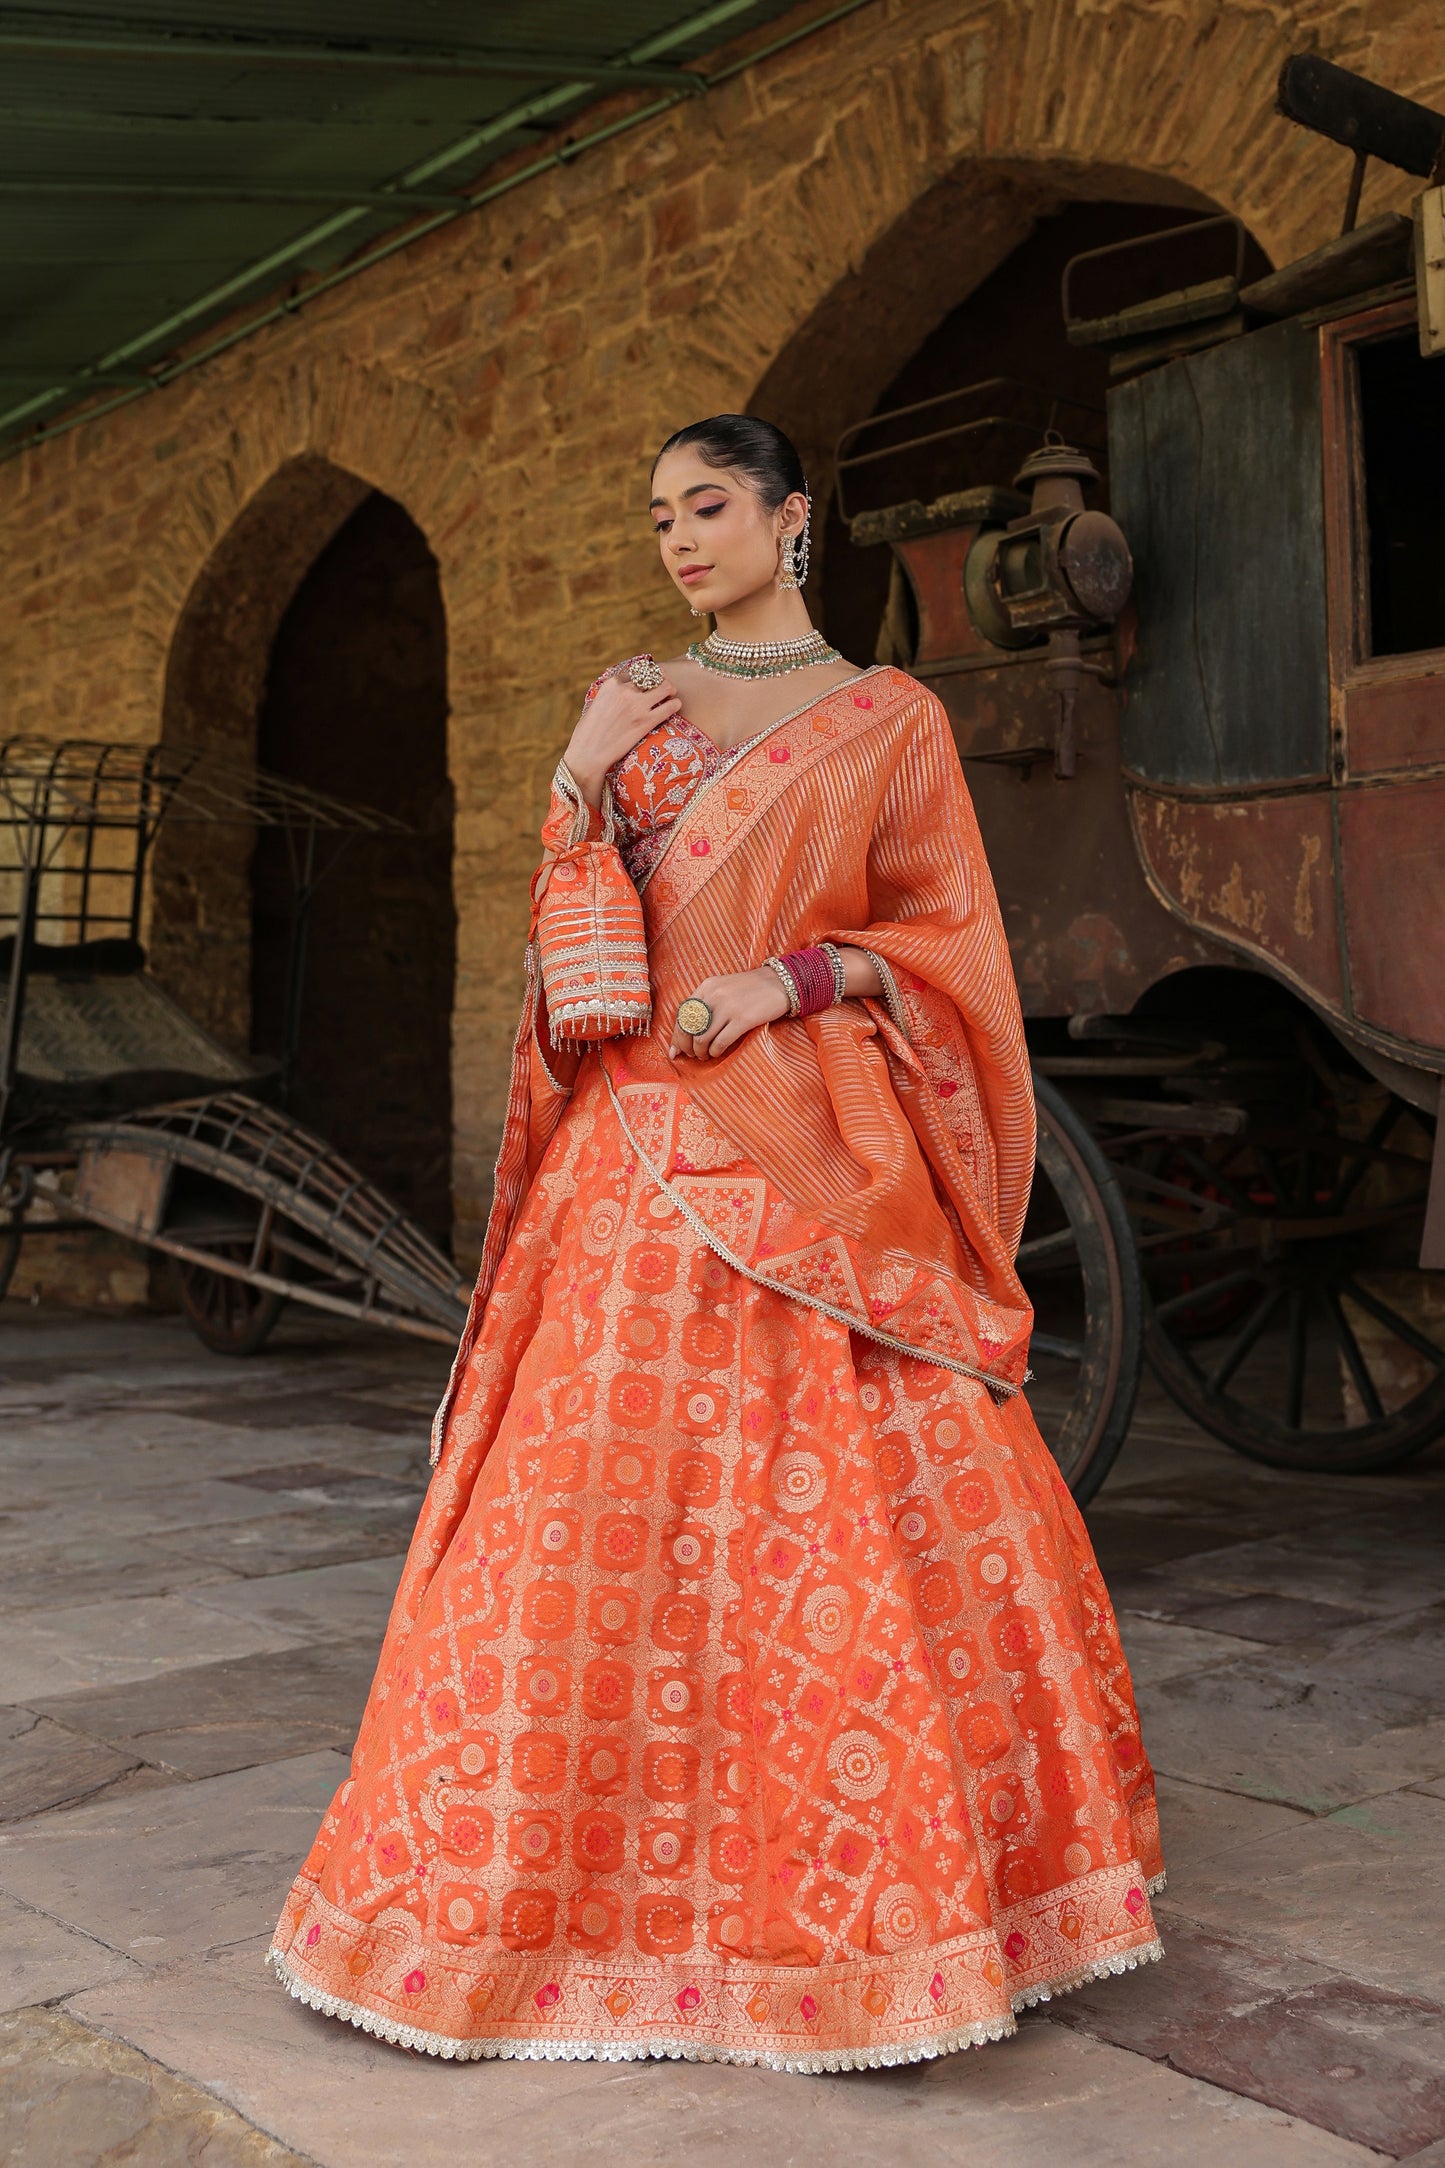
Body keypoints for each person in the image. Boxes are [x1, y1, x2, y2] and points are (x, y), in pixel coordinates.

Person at [269, 414, 1162, 2071]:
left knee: (833, 1524)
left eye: (708, 506)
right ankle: (530, 1912)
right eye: (658, 513)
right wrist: (579, 767)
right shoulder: (634, 701)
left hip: (810, 1153)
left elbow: (947, 939)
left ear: (788, 520)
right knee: (577, 1514)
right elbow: (574, 930)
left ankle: (879, 1916)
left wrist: (790, 980)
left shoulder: (886, 719)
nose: (679, 537)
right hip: (630, 1153)